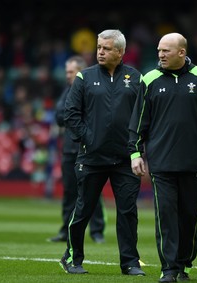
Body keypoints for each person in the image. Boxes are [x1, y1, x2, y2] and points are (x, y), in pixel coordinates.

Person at [128, 32, 197, 282]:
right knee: (166, 216)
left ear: (181, 53)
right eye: (159, 50)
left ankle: (184, 264)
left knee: (190, 216)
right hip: (161, 164)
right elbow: (138, 122)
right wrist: (135, 153)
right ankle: (169, 269)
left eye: (165, 51)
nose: (160, 54)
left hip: (195, 162)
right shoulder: (149, 79)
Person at [59, 29, 145, 276]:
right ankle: (72, 258)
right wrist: (89, 138)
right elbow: (70, 114)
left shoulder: (135, 78)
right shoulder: (84, 78)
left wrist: (136, 147)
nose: (100, 52)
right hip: (91, 158)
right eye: (99, 47)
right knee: (84, 208)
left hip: (125, 159)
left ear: (120, 52)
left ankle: (129, 262)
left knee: (128, 212)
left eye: (106, 48)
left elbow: (142, 116)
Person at [49, 55, 106, 243]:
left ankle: (97, 231)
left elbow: (91, 115)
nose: (67, 75)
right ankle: (66, 230)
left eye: (71, 72)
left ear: (81, 71)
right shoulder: (67, 91)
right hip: (69, 149)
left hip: (88, 148)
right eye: (66, 72)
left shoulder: (92, 89)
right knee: (69, 192)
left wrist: (72, 115)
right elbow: (59, 117)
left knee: (92, 191)